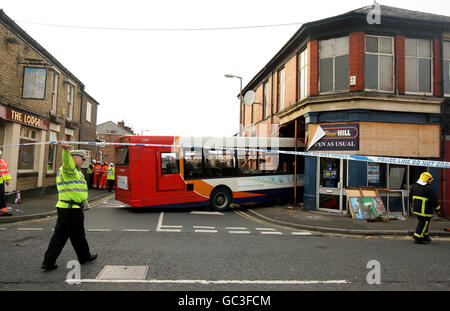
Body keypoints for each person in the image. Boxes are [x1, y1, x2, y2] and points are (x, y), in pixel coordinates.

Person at [41, 142, 97, 271]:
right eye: (82, 158)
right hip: (69, 210)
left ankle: (84, 256)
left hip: (73, 208)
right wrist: (66, 151)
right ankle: (49, 262)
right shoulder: (68, 169)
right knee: (60, 237)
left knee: (78, 235)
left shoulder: (77, 172)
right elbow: (67, 163)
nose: (83, 161)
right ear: (74, 158)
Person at [409, 172, 441, 244]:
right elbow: (433, 201)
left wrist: (412, 206)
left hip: (417, 209)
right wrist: (437, 209)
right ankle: (418, 237)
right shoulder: (428, 189)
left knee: (424, 223)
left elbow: (410, 198)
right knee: (423, 223)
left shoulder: (414, 187)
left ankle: (425, 236)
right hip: (425, 210)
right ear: (427, 180)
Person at [0, 151, 12, 216]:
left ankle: (4, 211)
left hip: (1, 182)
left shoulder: (3, 162)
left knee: (2, 197)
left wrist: (7, 180)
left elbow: (6, 171)